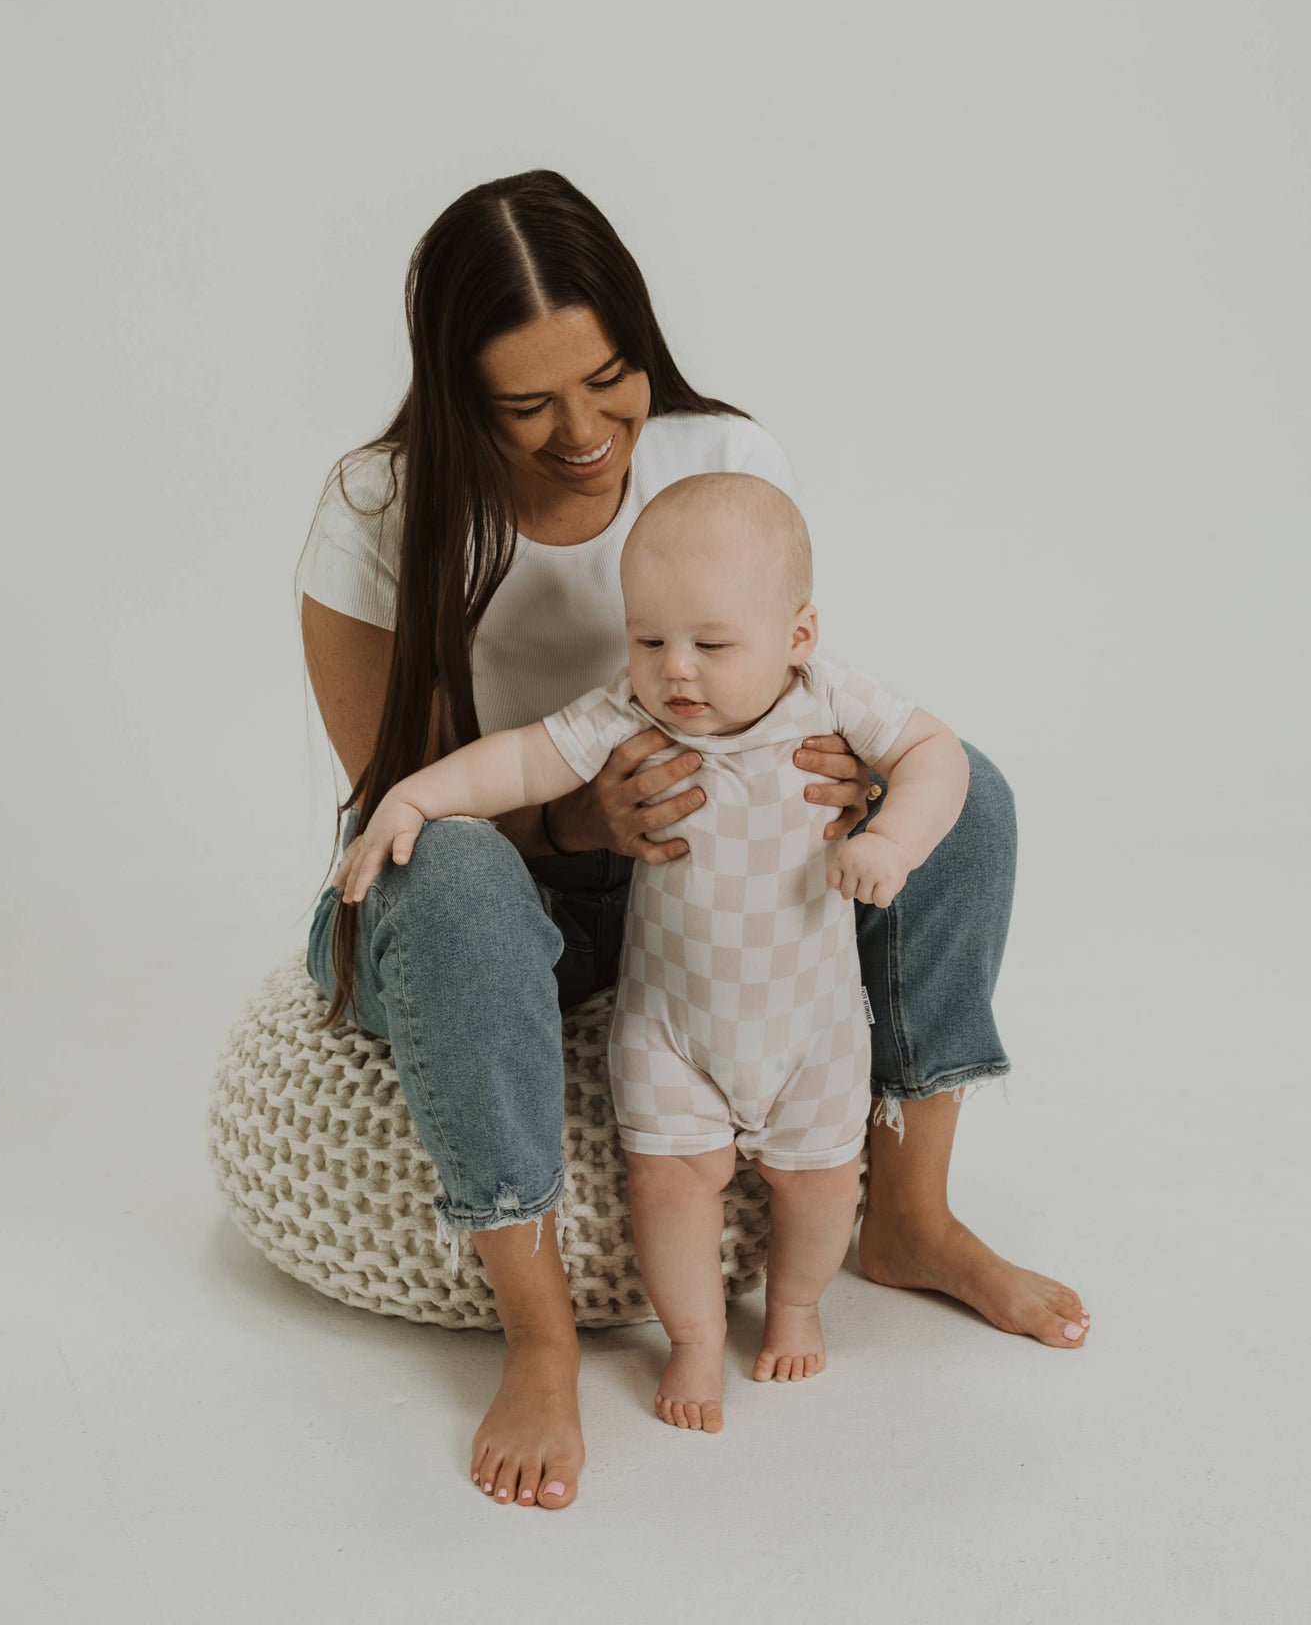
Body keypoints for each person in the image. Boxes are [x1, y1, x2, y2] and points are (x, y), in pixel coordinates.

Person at [298, 168, 1090, 1512]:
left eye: (607, 378)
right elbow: (403, 789)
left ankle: (906, 1218)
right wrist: (573, 815)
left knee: (971, 797)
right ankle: (540, 1335)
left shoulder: (717, 453)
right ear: (454, 395)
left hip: (715, 897)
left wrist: (846, 787)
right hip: (499, 903)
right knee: (450, 864)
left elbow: (784, 673)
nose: (582, 432)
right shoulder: (382, 513)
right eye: (524, 405)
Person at [331, 471, 974, 1436]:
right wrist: (416, 796)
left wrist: (890, 841)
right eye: (648, 640)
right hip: (671, 1031)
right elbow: (517, 760)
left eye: (712, 646)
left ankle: (795, 1306)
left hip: (815, 1031)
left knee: (819, 1183)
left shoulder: (829, 698)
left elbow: (937, 754)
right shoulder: (629, 714)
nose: (676, 670)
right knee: (668, 1186)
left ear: (796, 637)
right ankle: (691, 1336)